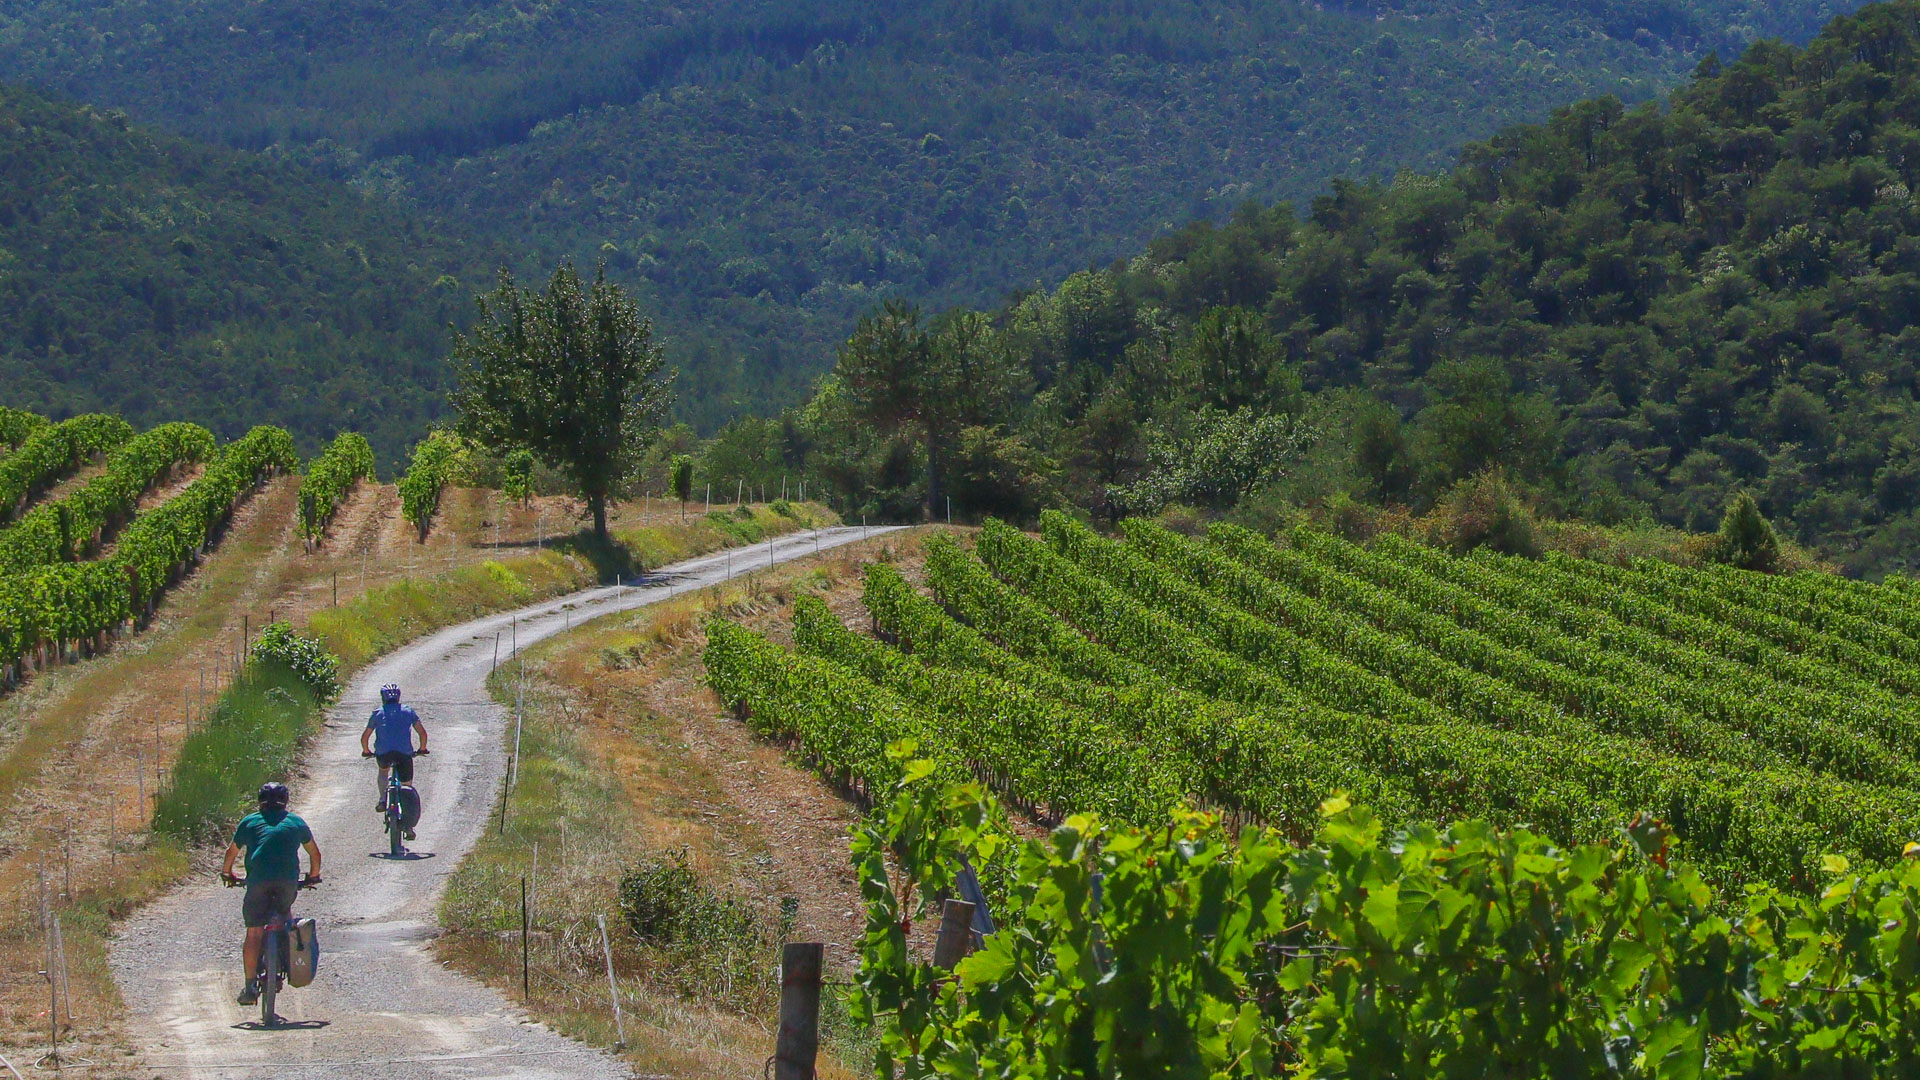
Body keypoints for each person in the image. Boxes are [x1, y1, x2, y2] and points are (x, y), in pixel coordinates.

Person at [220, 782, 320, 1006]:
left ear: (260, 801)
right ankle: (285, 955)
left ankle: (249, 986)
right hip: (287, 882)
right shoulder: (295, 821)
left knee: (254, 933)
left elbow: (231, 852)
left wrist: (227, 874)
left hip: (258, 882)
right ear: (285, 801)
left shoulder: (250, 821)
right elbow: (314, 853)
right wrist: (313, 876)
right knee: (285, 914)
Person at [361, 683, 428, 835]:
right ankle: (409, 826)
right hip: (404, 754)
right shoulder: (408, 711)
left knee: (383, 772)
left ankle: (383, 799)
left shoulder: (377, 713)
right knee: (406, 787)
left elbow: (365, 737)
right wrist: (422, 748)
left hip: (384, 753)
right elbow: (422, 734)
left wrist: (366, 751)